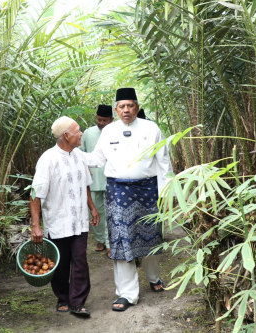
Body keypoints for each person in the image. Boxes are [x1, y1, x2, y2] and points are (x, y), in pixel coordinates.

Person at [83, 88, 173, 312]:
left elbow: (163, 163)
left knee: (150, 235)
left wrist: (166, 194)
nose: (126, 110)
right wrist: (71, 152)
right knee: (122, 241)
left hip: (148, 190)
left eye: (130, 105)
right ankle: (126, 294)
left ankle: (154, 278)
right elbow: (96, 159)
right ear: (116, 109)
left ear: (137, 107)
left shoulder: (151, 128)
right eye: (122, 106)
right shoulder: (109, 131)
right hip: (119, 191)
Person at [29, 116, 100, 318]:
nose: (81, 134)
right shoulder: (48, 159)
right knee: (60, 263)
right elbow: (35, 194)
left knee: (80, 261)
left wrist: (92, 208)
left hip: (79, 220)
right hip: (58, 221)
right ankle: (62, 297)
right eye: (78, 131)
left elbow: (84, 183)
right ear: (66, 135)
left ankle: (78, 302)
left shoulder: (79, 155)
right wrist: (36, 225)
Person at [80, 105, 114, 257]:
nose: (101, 123)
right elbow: (81, 153)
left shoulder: (116, 132)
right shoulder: (88, 133)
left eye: (104, 120)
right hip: (92, 180)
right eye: (99, 119)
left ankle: (109, 243)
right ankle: (100, 239)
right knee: (95, 211)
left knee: (110, 212)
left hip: (111, 179)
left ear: (111, 120)